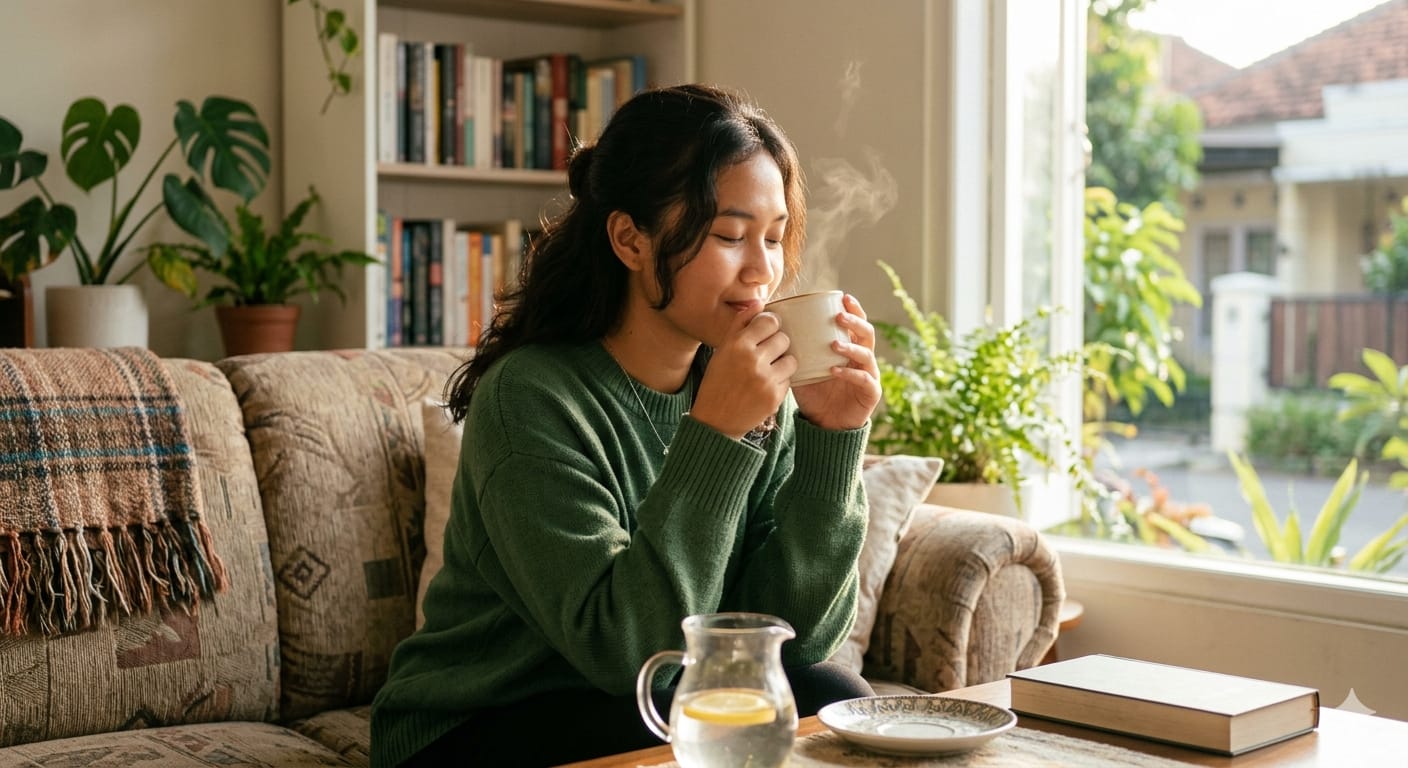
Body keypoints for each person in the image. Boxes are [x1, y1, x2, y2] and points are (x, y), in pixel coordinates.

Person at [370, 83, 882, 767]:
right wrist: (718, 437)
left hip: (632, 706)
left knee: (829, 691)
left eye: (772, 236)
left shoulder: (747, 387)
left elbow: (793, 639)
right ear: (629, 239)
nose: (762, 270)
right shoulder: (532, 398)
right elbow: (632, 652)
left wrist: (832, 442)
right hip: (478, 725)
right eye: (729, 235)